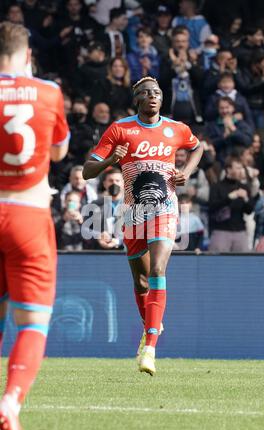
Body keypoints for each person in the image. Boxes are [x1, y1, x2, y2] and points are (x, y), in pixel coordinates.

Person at [83, 76, 203, 375]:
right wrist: (112, 159)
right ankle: (150, 326)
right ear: (136, 99)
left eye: (157, 93)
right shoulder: (120, 129)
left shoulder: (176, 129)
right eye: (146, 93)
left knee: (158, 270)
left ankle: (149, 348)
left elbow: (198, 147)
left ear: (162, 98)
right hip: (132, 213)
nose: (152, 96)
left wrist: (186, 170)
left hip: (165, 208)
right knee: (141, 282)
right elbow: (87, 171)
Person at [0, 21, 69, 430]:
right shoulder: (49, 91)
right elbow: (60, 151)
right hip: (28, 213)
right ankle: (9, 404)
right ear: (27, 55)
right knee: (33, 323)